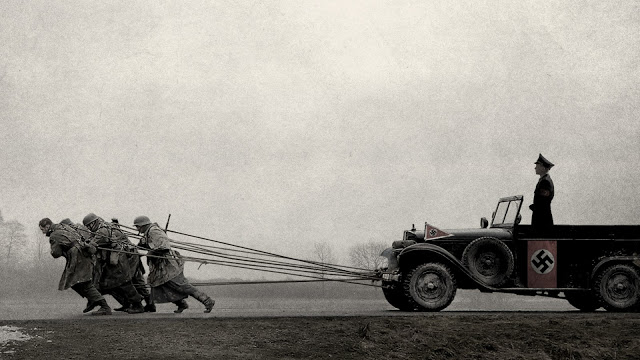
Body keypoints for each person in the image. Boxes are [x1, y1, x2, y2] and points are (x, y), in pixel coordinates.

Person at [133, 215, 215, 313]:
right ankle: (181, 304)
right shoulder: (148, 233)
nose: (137, 229)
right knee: (161, 286)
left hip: (167, 265)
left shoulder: (154, 231)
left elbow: (164, 246)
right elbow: (146, 245)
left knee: (182, 285)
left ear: (143, 225)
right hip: (159, 266)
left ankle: (207, 301)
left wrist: (150, 252)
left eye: (137, 226)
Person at [38, 218, 112, 315]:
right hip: (83, 255)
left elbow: (56, 253)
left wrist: (53, 251)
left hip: (78, 258)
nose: (43, 232)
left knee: (82, 283)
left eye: (42, 229)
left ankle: (104, 306)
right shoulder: (64, 227)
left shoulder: (54, 235)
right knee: (75, 282)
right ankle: (94, 300)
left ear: (47, 226)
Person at [82, 213, 147, 314]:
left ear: (94, 223)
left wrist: (85, 245)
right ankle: (128, 303)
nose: (88, 228)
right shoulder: (102, 227)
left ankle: (137, 305)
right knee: (112, 284)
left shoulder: (102, 230)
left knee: (124, 282)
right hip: (115, 259)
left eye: (89, 226)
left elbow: (92, 247)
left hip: (118, 260)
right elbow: (91, 239)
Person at [529, 153, 555, 229]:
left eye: (537, 166)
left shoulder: (545, 182)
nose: (535, 168)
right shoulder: (543, 180)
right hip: (541, 218)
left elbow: (543, 203)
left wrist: (534, 207)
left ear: (543, 168)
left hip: (542, 220)